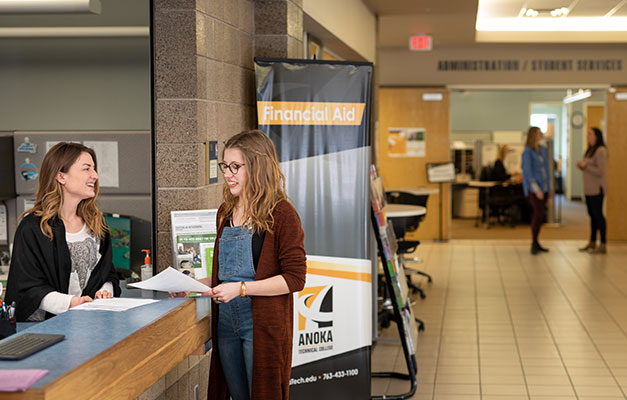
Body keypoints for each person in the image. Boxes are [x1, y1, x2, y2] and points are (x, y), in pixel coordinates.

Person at [174, 130, 306, 400]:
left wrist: (242, 289)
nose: (228, 173)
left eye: (236, 167)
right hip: (226, 323)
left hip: (259, 324)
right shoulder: (225, 211)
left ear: (257, 167)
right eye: (225, 166)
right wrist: (193, 286)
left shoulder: (282, 214)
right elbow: (226, 275)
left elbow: (294, 279)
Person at [6, 142, 121, 322]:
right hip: (43, 330)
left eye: (94, 169)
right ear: (61, 176)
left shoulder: (96, 224)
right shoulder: (34, 228)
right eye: (86, 169)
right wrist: (72, 303)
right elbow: (28, 287)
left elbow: (107, 273)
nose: (95, 175)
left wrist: (105, 291)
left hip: (89, 323)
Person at [576, 127, 608, 254]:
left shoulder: (601, 151)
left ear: (597, 136)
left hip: (597, 189)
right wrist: (583, 166)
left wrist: (586, 166)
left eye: (590, 134)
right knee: (592, 216)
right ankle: (592, 241)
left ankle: (603, 243)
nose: (588, 136)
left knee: (598, 215)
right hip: (589, 189)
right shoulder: (590, 150)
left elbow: (600, 171)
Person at [521, 126, 551, 254]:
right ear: (533, 135)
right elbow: (528, 173)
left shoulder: (542, 150)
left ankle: (537, 242)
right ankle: (534, 242)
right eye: (539, 133)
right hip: (535, 189)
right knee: (538, 214)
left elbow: (547, 170)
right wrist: (536, 190)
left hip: (544, 187)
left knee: (541, 215)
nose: (541, 135)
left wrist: (549, 188)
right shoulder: (527, 152)